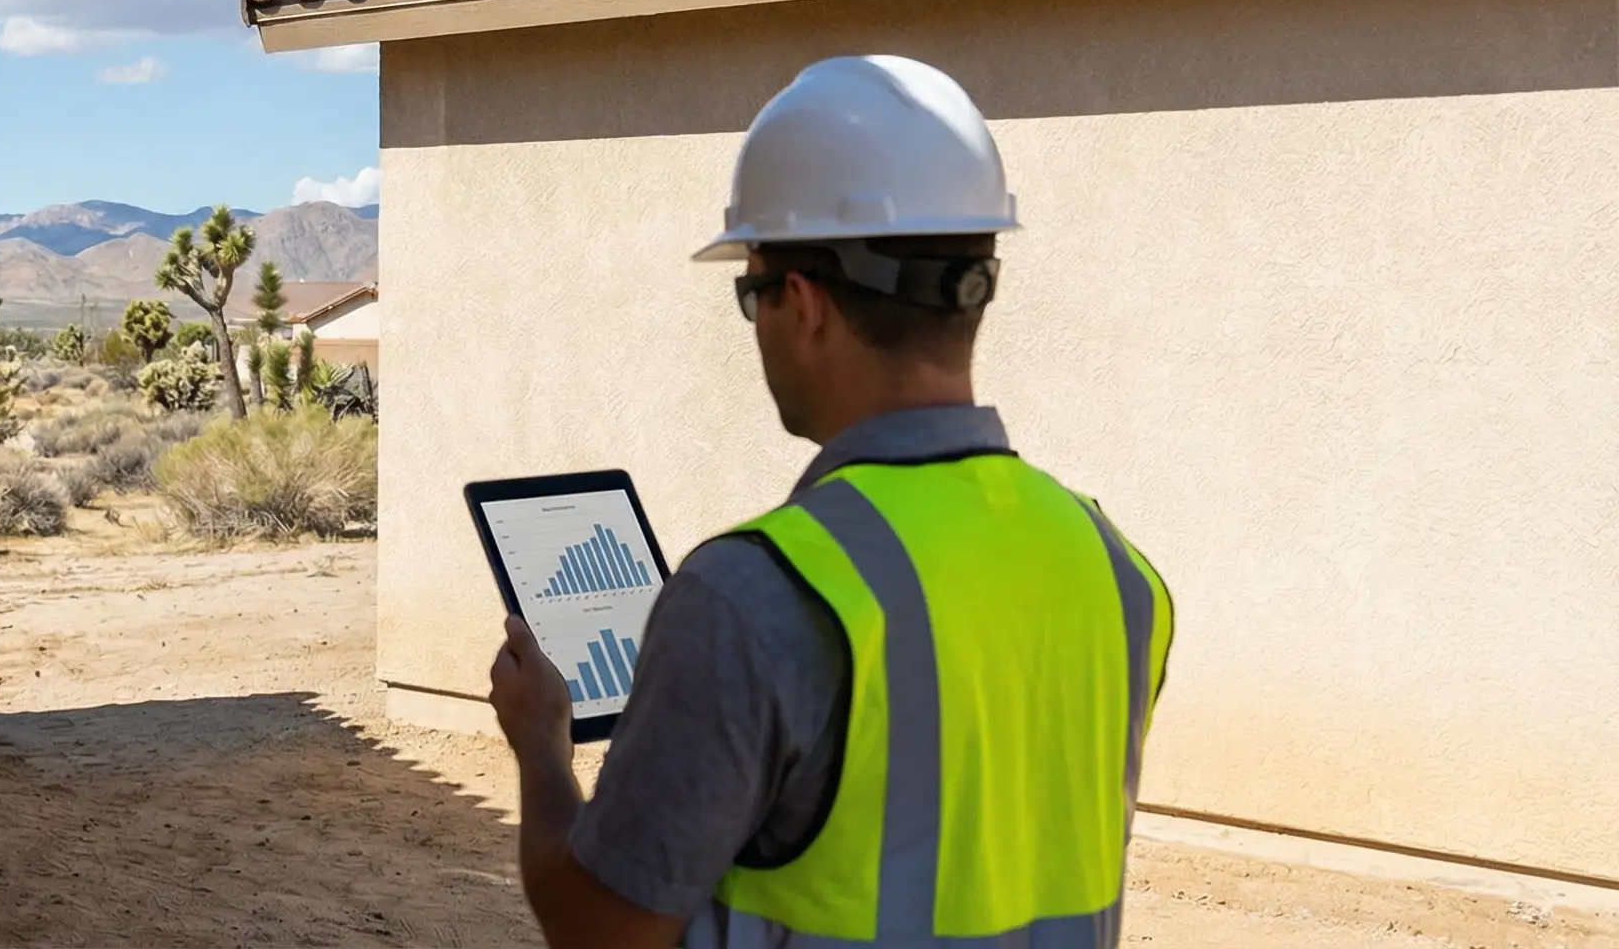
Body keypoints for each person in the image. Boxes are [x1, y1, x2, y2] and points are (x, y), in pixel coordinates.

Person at [487, 54, 1173, 949]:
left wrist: (542, 745)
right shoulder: (1114, 567)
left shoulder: (750, 597)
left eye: (751, 294)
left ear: (802, 303)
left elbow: (599, 928)